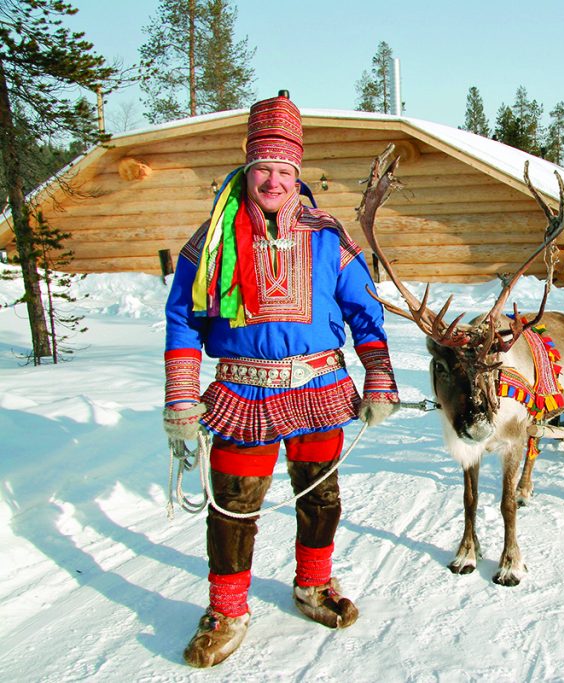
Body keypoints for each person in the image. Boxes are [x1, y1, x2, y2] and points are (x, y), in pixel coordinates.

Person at [162, 91, 400, 668]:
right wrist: (180, 399)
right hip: (241, 392)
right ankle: (227, 608)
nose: (273, 180)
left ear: (297, 175)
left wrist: (380, 378)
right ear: (248, 171)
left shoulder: (327, 238)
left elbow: (365, 310)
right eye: (262, 169)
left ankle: (313, 584)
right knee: (234, 505)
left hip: (318, 390)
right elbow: (182, 318)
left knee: (322, 497)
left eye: (283, 170)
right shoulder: (210, 242)